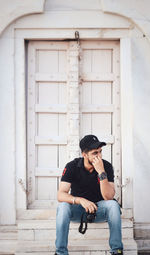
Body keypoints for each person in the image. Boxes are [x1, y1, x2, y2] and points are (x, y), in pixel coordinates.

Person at [55, 134, 123, 255]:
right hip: (79, 210)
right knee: (62, 207)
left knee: (113, 205)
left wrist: (101, 172)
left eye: (100, 152)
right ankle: (60, 252)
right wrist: (80, 200)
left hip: (99, 209)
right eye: (95, 153)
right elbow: (61, 195)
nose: (99, 156)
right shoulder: (72, 166)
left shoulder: (105, 166)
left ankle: (117, 251)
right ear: (84, 155)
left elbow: (109, 197)